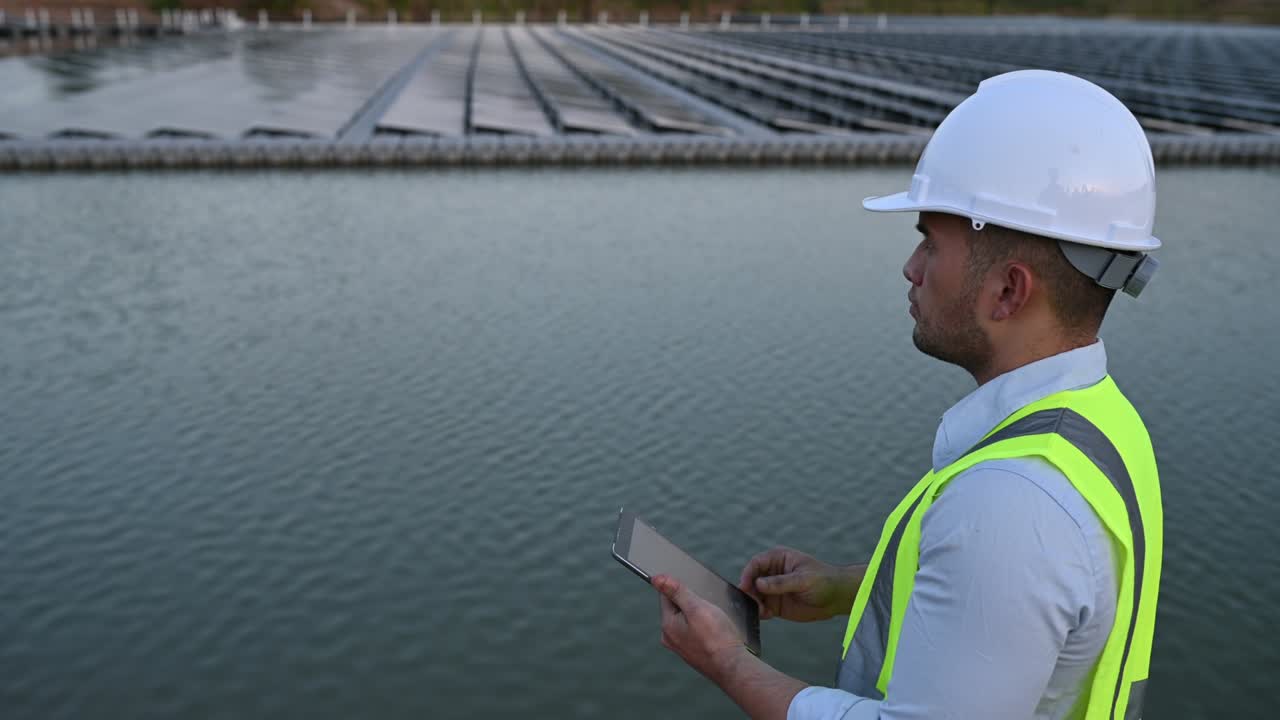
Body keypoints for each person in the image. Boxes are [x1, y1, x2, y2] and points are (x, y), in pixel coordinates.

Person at [650, 70, 1163, 720]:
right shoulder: (1102, 423)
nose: (911, 268)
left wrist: (728, 661)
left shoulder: (1011, 504)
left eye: (931, 242)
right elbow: (1025, 607)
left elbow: (1006, 561)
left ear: (1008, 291)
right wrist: (846, 588)